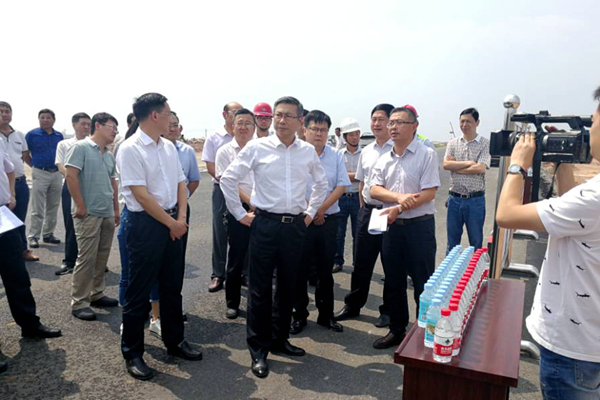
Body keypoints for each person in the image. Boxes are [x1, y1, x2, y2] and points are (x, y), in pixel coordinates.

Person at [495, 87, 600, 399]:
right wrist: (562, 161)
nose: (589, 132)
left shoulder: (593, 198)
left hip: (573, 349)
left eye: (593, 122)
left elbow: (506, 214)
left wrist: (518, 164)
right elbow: (573, 213)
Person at [220, 96, 327, 379]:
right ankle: (259, 350)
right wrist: (239, 214)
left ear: (300, 121)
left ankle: (280, 339)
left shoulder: (307, 151)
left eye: (288, 116)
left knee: (288, 286)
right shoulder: (257, 147)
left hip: (294, 227)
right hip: (264, 225)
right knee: (259, 289)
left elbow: (322, 183)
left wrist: (310, 212)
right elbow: (228, 178)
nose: (281, 120)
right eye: (277, 115)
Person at [117, 93, 202, 381]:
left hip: (173, 221)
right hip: (145, 225)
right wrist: (171, 223)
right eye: (168, 114)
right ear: (154, 115)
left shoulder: (168, 147)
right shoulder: (130, 149)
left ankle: (175, 341)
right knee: (138, 291)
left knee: (171, 286)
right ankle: (133, 352)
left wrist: (181, 218)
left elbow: (180, 183)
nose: (171, 119)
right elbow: (141, 195)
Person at [370, 105, 440, 349]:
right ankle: (397, 329)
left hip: (419, 227)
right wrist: (399, 198)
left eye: (400, 122)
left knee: (423, 282)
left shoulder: (426, 154)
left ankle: (424, 332)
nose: (393, 127)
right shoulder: (383, 158)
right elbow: (374, 189)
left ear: (414, 127)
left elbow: (429, 193)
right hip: (392, 228)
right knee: (393, 281)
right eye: (391, 122)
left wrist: (399, 207)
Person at [0, 138, 62, 375]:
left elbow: (10, 169)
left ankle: (30, 324)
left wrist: (11, 194)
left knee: (17, 276)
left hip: (3, 217)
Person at [334, 104, 394, 328]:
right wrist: (363, 208)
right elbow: (362, 182)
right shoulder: (367, 151)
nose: (376, 124)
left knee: (390, 263)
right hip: (369, 211)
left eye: (381, 119)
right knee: (362, 261)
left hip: (389, 211)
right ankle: (353, 305)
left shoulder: (397, 149)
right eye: (373, 119)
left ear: (391, 122)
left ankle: (389, 311)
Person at [291, 110, 349, 335]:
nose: (318, 133)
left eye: (323, 130)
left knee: (325, 271)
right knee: (300, 270)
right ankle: (299, 316)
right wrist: (311, 211)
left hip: (328, 219)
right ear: (304, 129)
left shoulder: (335, 155)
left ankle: (326, 315)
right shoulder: (294, 153)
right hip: (301, 220)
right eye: (314, 128)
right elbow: (292, 186)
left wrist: (320, 210)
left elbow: (341, 185)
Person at [65, 112, 120, 321]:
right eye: (112, 127)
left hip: (106, 211)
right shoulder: (80, 148)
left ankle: (96, 293)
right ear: (98, 125)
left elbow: (112, 182)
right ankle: (79, 302)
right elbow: (71, 176)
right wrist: (80, 205)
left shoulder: (108, 154)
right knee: (86, 258)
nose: (115, 131)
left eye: (116, 128)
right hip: (88, 213)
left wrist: (116, 209)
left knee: (102, 256)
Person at [215, 108, 255, 320]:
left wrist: (258, 204)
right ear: (232, 126)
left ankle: (259, 303)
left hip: (262, 209)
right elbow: (226, 182)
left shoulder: (261, 149)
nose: (243, 127)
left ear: (254, 127)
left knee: (260, 259)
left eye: (248, 123)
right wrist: (250, 202)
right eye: (240, 123)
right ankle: (232, 303)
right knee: (236, 258)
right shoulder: (224, 151)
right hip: (237, 208)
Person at [202, 101, 243, 293]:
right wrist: (227, 181)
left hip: (245, 191)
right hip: (221, 189)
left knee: (244, 230)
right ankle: (218, 274)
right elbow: (210, 165)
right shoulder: (214, 137)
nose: (238, 115)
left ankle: (243, 273)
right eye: (235, 112)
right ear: (225, 114)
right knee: (220, 231)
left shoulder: (248, 136)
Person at [443, 108, 490, 253]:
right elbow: (446, 165)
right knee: (452, 242)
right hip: (454, 199)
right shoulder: (453, 143)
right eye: (462, 121)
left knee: (475, 241)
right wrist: (470, 163)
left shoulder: (485, 143)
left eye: (468, 121)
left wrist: (456, 167)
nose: (464, 125)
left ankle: (475, 268)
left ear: (477, 122)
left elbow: (480, 168)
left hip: (475, 200)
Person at [0, 101, 38, 262]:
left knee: (19, 219)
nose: (4, 114)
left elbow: (25, 156)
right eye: (1, 111)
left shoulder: (19, 135)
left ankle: (22, 250)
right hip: (2, 186)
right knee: (3, 222)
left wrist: (37, 170)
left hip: (19, 182)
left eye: (7, 111)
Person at [54, 113, 91, 276]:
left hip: (91, 188)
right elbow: (60, 166)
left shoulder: (94, 144)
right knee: (72, 223)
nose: (86, 127)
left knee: (93, 224)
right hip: (70, 186)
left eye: (89, 124)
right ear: (74, 125)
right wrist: (73, 177)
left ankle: (92, 261)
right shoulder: (64, 144)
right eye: (83, 124)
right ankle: (69, 261)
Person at [25, 109, 64, 248]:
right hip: (40, 172)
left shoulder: (59, 136)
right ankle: (34, 236)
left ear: (54, 120)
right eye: (42, 117)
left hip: (56, 173)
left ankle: (48, 234)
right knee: (38, 206)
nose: (45, 120)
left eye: (48, 117)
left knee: (53, 205)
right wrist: (35, 166)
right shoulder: (32, 135)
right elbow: (25, 154)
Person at [333, 117, 362, 273]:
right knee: (338, 233)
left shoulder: (365, 154)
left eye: (357, 134)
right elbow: (338, 176)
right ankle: (337, 261)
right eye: (351, 134)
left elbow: (366, 175)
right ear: (344, 137)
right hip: (341, 197)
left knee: (358, 233)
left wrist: (348, 176)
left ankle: (358, 263)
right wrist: (358, 175)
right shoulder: (338, 154)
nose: (354, 137)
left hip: (358, 197)